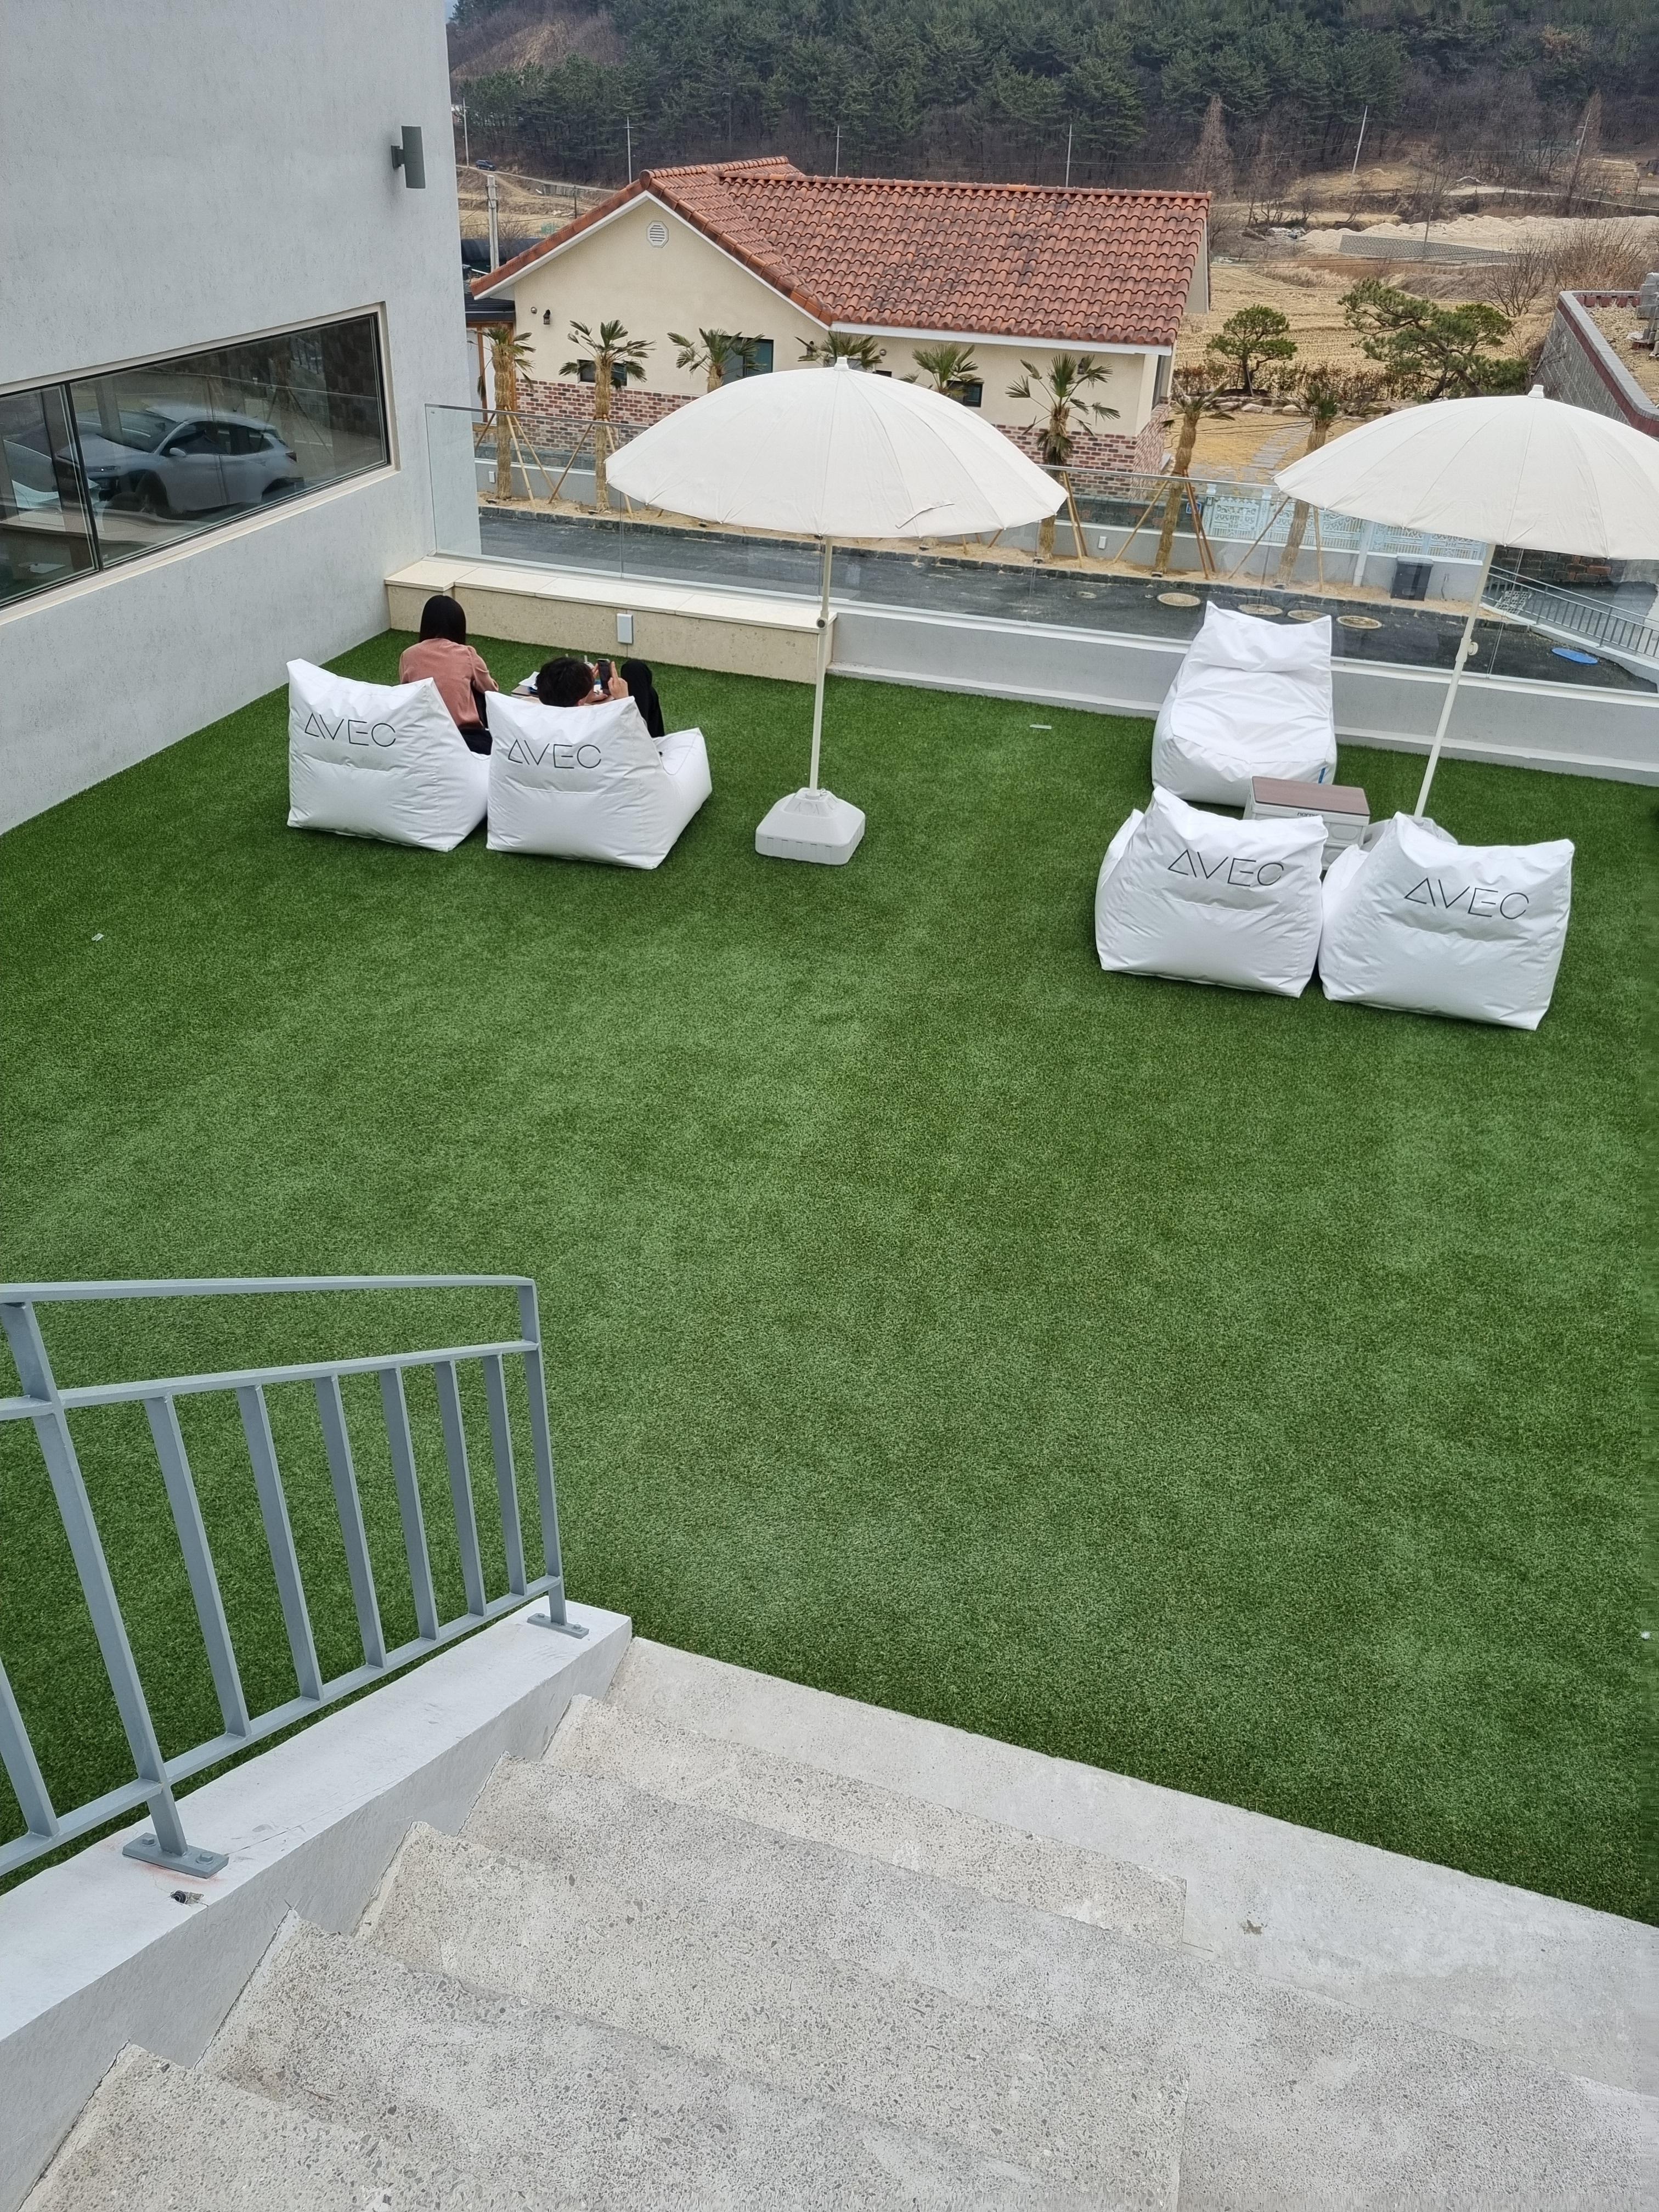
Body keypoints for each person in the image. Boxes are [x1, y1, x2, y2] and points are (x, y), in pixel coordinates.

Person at [398, 595, 498, 753]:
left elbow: (404, 694)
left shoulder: (408, 655)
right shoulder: (467, 654)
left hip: (421, 735)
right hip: (465, 738)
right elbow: (491, 691)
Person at [533, 657, 630, 708]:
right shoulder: (594, 726)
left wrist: (584, 698)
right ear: (579, 702)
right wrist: (624, 700)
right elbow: (633, 734)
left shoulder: (529, 715)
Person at [620, 659, 667, 741]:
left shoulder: (647, 695)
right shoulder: (648, 692)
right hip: (648, 740)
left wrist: (622, 700)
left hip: (635, 740)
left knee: (634, 670)